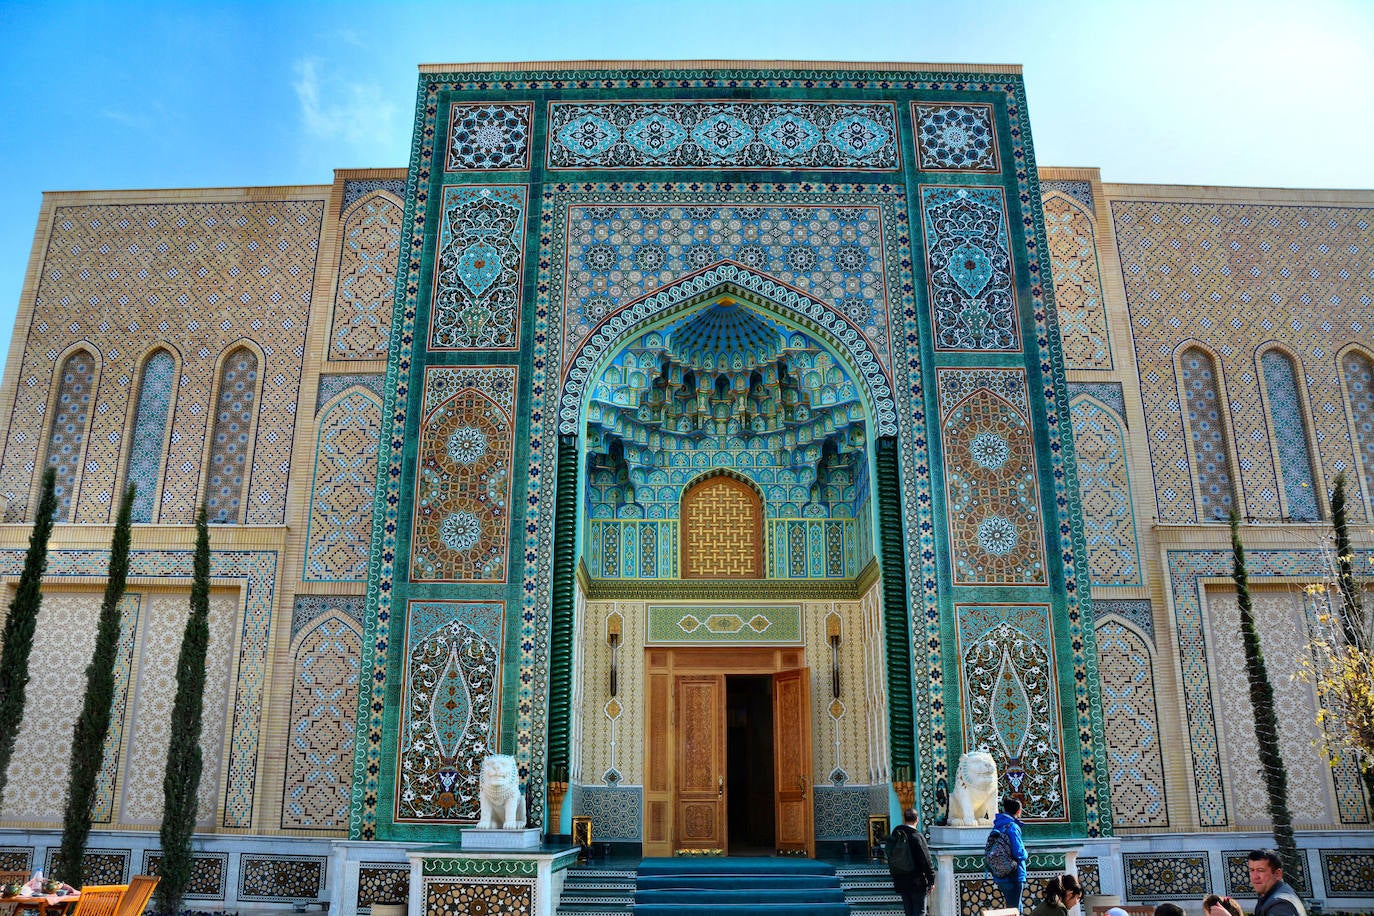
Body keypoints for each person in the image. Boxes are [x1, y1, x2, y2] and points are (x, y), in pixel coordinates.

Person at [889, 807, 937, 916]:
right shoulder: (916, 837)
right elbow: (926, 860)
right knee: (919, 911)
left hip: (901, 880)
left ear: (904, 819)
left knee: (909, 911)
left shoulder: (897, 834)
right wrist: (931, 879)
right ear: (917, 819)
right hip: (917, 882)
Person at [989, 797, 1029, 909]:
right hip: (1014, 874)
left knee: (1011, 905)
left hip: (1000, 873)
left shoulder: (998, 825)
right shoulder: (1012, 827)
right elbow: (1019, 853)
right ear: (1018, 811)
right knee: (1016, 908)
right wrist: (1025, 853)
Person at [1248, 849, 1307, 916]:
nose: (1255, 876)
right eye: (1252, 870)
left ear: (1277, 874)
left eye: (1260, 870)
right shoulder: (1269, 895)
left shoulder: (1281, 905)